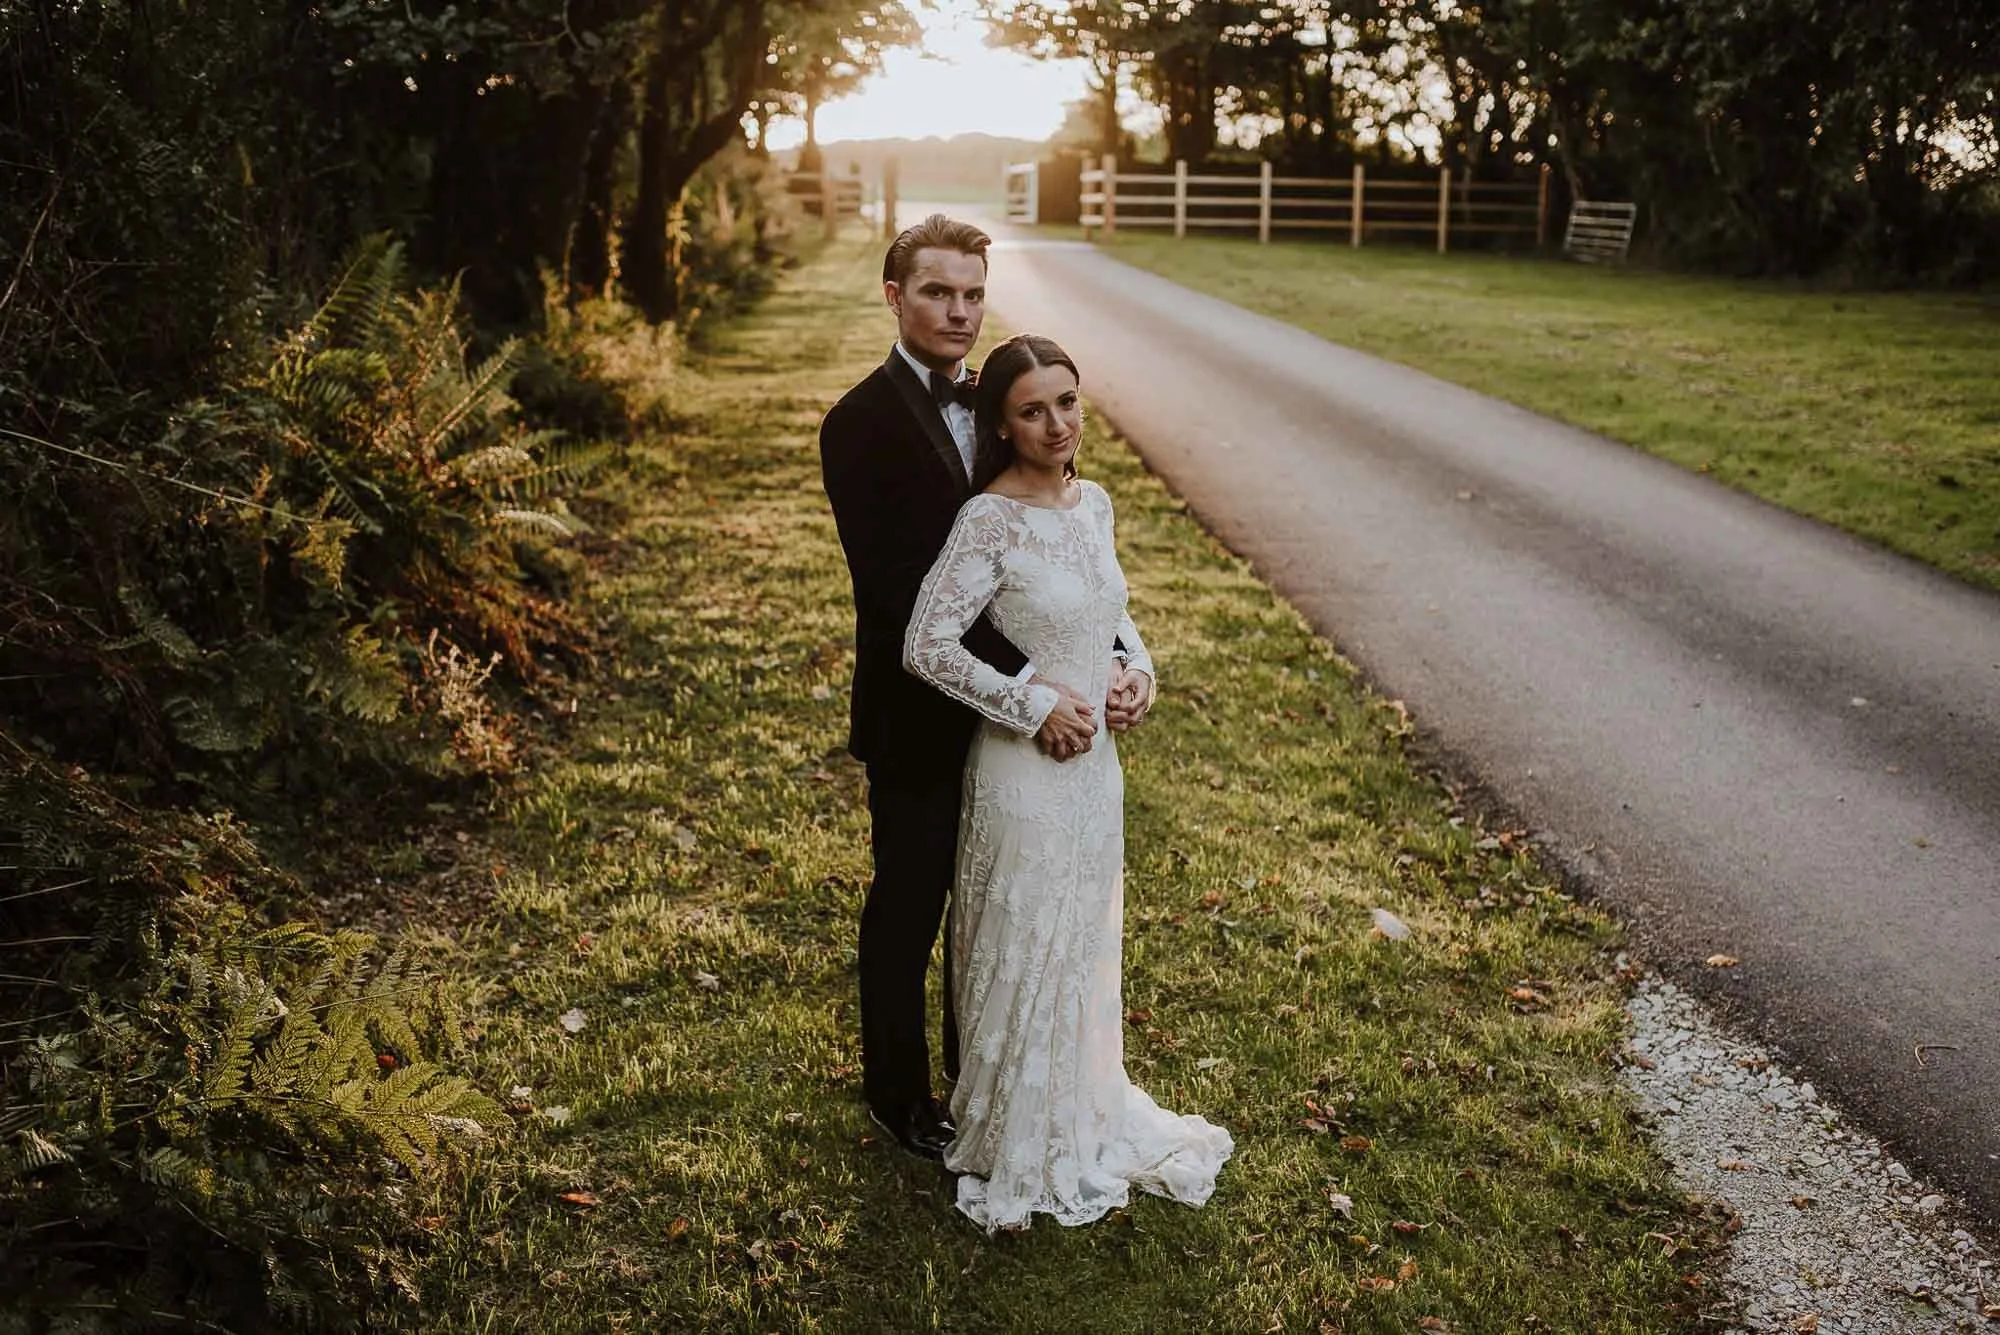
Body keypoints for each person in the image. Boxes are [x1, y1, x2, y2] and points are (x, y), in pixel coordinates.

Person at [819, 216, 1153, 1162]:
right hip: (922, 716)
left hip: (1025, 729)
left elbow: (1068, 566)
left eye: (971, 294)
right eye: (937, 292)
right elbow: (897, 601)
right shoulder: (858, 425)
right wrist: (1034, 690)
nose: (958, 311)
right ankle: (899, 1096)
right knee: (912, 909)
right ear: (896, 296)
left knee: (997, 906)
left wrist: (1119, 666)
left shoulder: (999, 400)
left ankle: (992, 1078)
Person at [902, 332, 1234, 1232]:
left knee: (1081, 943)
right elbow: (925, 644)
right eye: (1032, 411)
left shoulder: (1096, 505)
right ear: (1002, 428)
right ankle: (1014, 1129)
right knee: (1023, 942)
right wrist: (1026, 701)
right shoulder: (989, 521)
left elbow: (1115, 618)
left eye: (1068, 403)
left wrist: (1137, 677)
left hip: (1098, 773)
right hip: (1025, 771)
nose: (1057, 425)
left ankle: (1079, 1108)